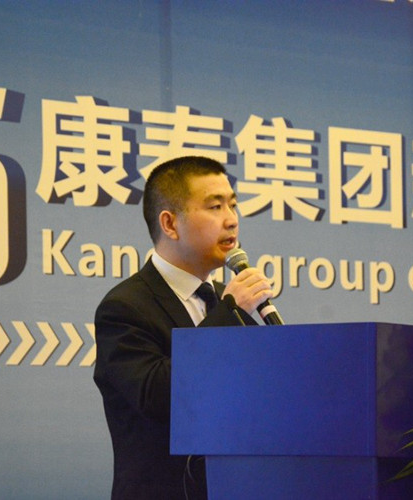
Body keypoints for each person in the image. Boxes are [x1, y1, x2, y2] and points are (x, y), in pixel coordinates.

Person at [93, 156, 275, 499]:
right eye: (215, 207)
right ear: (170, 224)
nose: (232, 220)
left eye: (233, 205)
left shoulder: (223, 300)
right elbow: (158, 397)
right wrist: (229, 313)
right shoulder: (125, 307)